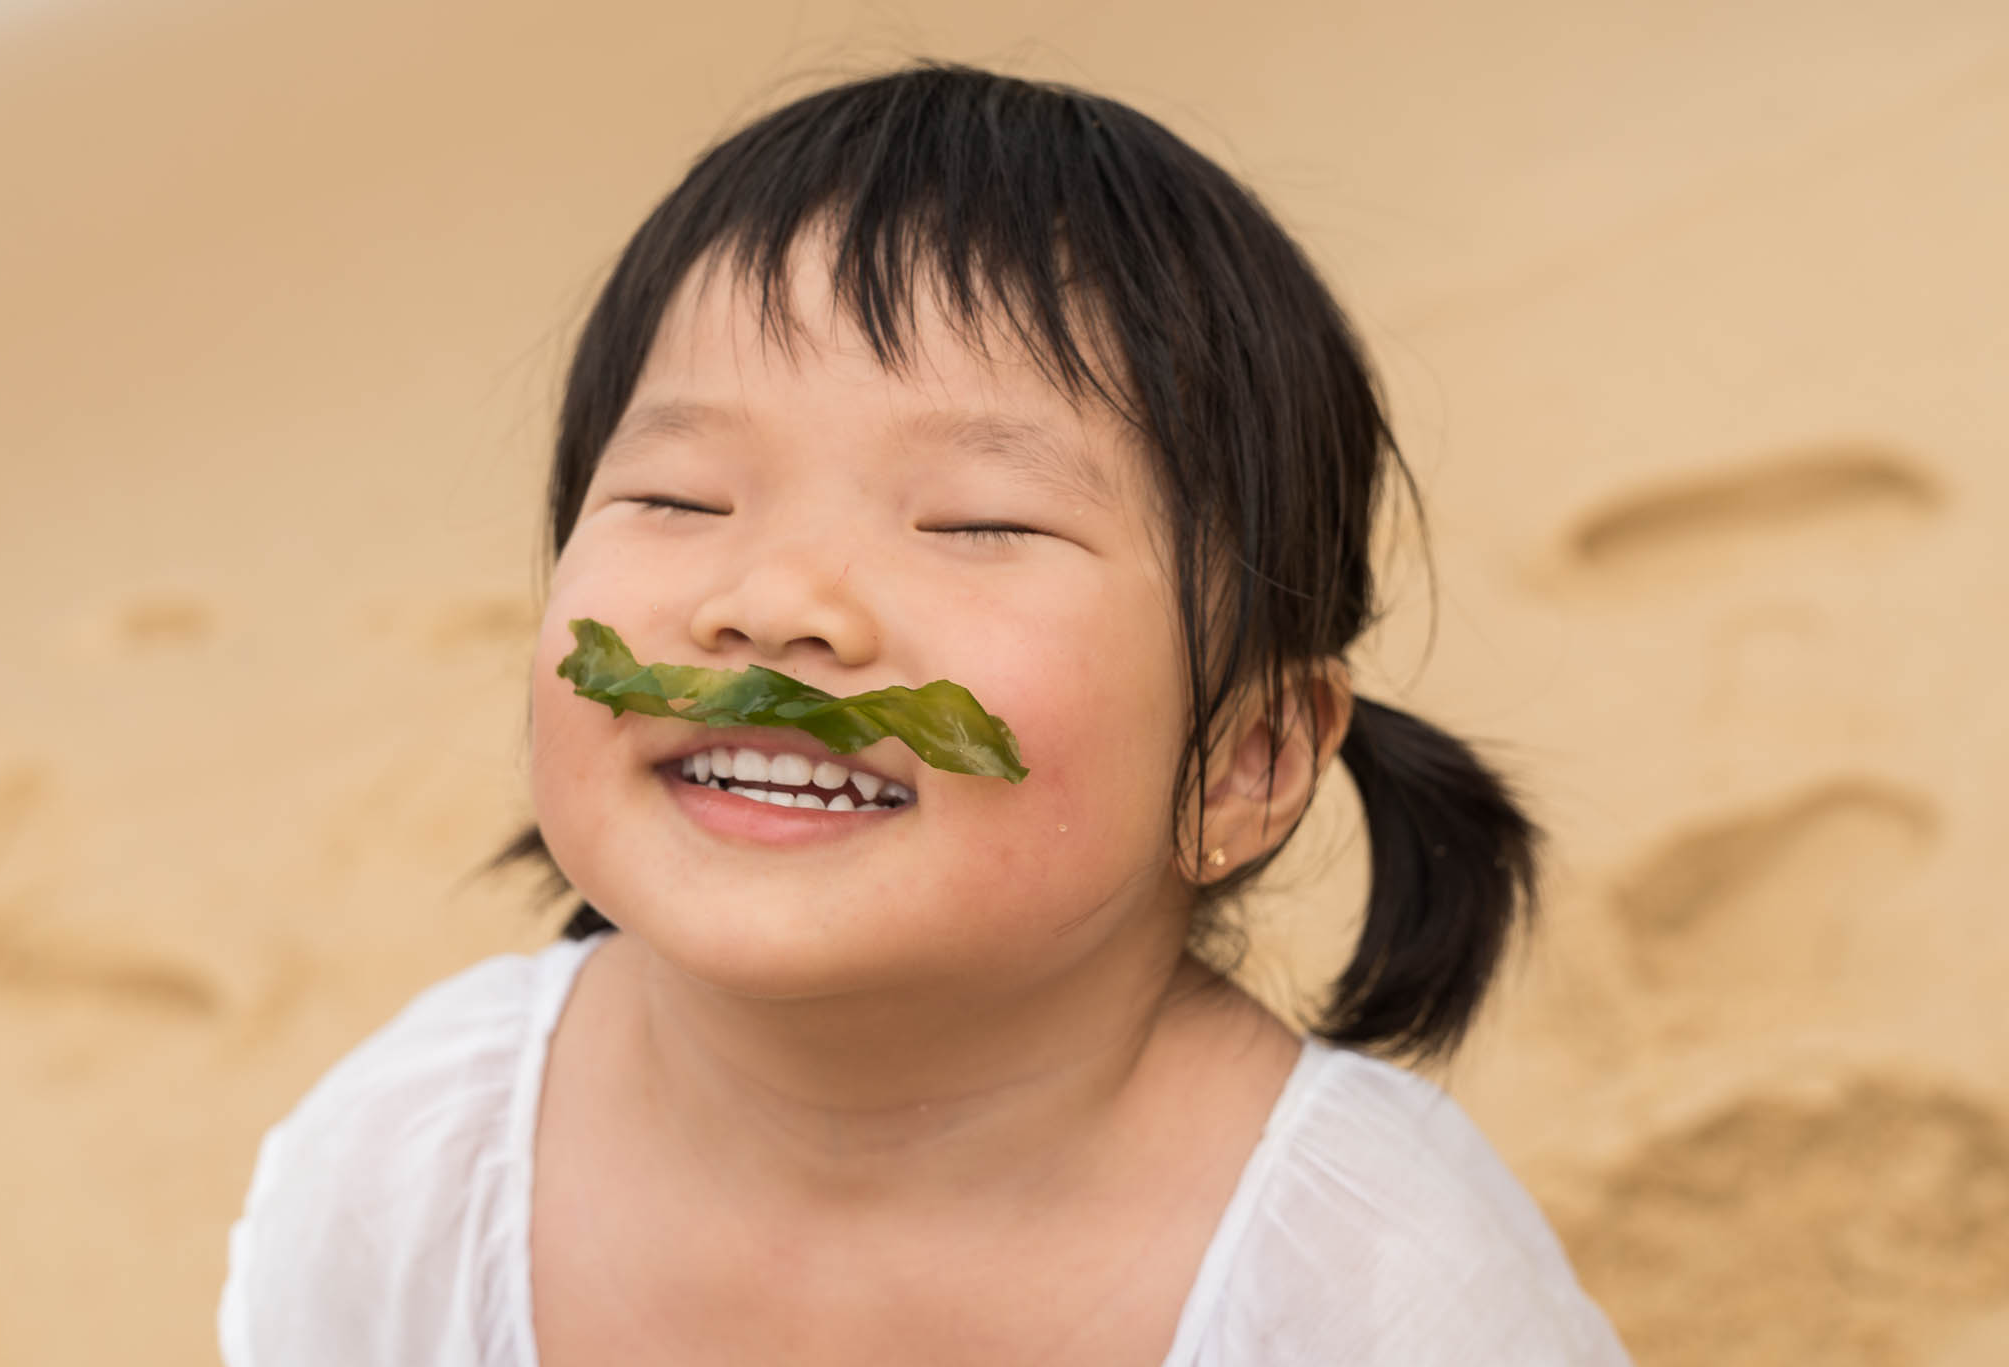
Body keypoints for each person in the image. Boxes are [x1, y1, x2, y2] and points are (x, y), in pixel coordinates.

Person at [218, 62, 1631, 1365]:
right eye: (679, 498)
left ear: (1246, 761)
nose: (773, 601)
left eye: (974, 521)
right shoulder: (407, 1166)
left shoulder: (1375, 1283)